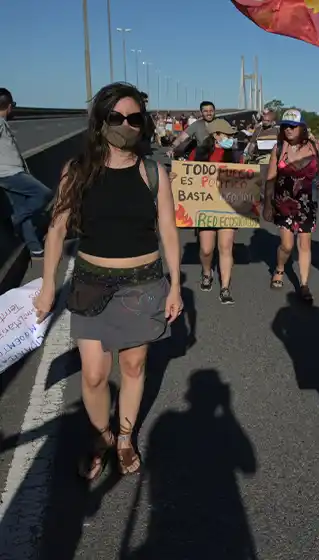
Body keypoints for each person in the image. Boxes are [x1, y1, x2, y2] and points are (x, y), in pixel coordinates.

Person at [32, 82, 183, 479]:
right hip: (91, 283)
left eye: (135, 118)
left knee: (133, 366)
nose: (126, 125)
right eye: (117, 117)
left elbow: (168, 231)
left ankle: (125, 439)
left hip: (143, 283)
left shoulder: (154, 172)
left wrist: (175, 286)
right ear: (101, 120)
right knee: (95, 374)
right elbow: (56, 230)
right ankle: (101, 436)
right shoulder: (78, 170)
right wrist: (47, 286)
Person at [263, 109, 319, 302]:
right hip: (284, 202)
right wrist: (268, 205)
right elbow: (270, 179)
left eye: (293, 126)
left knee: (304, 244)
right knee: (287, 245)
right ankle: (279, 268)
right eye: (285, 126)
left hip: (307, 202)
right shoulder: (279, 148)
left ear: (301, 128)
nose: (288, 129)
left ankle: (304, 284)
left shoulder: (313, 147)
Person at [188, 119, 240, 304]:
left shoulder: (235, 155)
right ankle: (207, 272)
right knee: (206, 249)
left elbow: (244, 180)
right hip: (206, 207)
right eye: (227, 134)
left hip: (227, 207)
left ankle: (225, 287)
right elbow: (188, 177)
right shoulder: (197, 153)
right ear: (216, 135)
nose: (231, 138)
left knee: (226, 247)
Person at [0, 88, 52, 258]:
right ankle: (15, 218)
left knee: (22, 207)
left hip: (10, 173)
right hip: (9, 174)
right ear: (8, 106)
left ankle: (35, 249)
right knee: (44, 193)